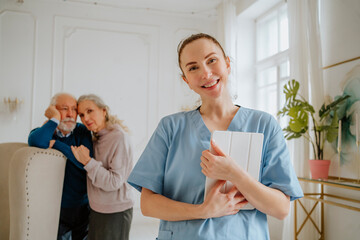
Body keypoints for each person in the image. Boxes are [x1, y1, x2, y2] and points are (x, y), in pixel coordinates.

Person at [127, 33, 304, 240]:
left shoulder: (263, 125)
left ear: (227, 64)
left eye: (212, 60)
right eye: (193, 68)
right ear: (186, 80)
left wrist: (235, 173)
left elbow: (281, 209)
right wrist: (203, 211)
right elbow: (148, 205)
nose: (206, 73)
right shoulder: (170, 127)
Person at [28, 92, 93, 240]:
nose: (71, 114)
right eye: (64, 109)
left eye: (74, 109)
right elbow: (36, 140)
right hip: (56, 207)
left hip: (83, 205)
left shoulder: (82, 131)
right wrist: (54, 119)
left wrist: (57, 145)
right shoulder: (47, 130)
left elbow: (84, 162)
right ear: (54, 110)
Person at [70, 94, 134, 240]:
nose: (85, 118)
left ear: (104, 111)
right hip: (97, 209)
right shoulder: (94, 138)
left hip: (116, 211)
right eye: (81, 114)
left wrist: (88, 162)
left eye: (90, 111)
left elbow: (114, 182)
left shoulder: (119, 137)